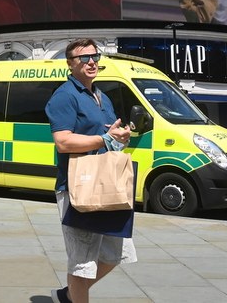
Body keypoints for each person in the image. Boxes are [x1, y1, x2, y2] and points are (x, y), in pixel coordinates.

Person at [45, 39, 136, 303]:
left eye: (95, 56)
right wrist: (104, 140)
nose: (92, 62)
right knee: (82, 262)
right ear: (70, 64)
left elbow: (107, 134)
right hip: (77, 188)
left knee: (115, 254)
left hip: (106, 184)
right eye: (84, 58)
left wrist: (119, 137)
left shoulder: (102, 96)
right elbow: (62, 142)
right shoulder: (64, 96)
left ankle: (69, 295)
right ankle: (75, 294)